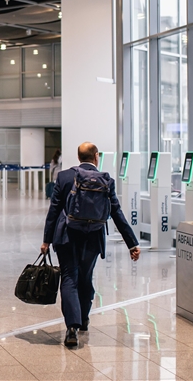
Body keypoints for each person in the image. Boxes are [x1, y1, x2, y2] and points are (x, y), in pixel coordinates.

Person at [41, 142, 140, 348]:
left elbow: (53, 211)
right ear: (96, 157)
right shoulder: (106, 180)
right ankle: (83, 318)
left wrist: (46, 240)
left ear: (79, 157)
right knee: (86, 278)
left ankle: (71, 327)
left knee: (69, 278)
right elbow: (117, 213)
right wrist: (132, 243)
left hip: (67, 236)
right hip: (93, 238)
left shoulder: (65, 177)